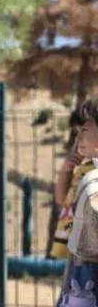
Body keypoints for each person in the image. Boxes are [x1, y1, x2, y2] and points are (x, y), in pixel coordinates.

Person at [55, 99, 98, 307]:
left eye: (85, 130)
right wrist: (65, 170)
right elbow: (63, 201)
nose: (78, 137)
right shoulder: (85, 170)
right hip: (84, 253)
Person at [51, 110, 94, 259]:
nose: (78, 140)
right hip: (76, 254)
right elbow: (63, 201)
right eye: (77, 134)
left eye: (85, 133)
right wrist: (65, 170)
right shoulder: (82, 170)